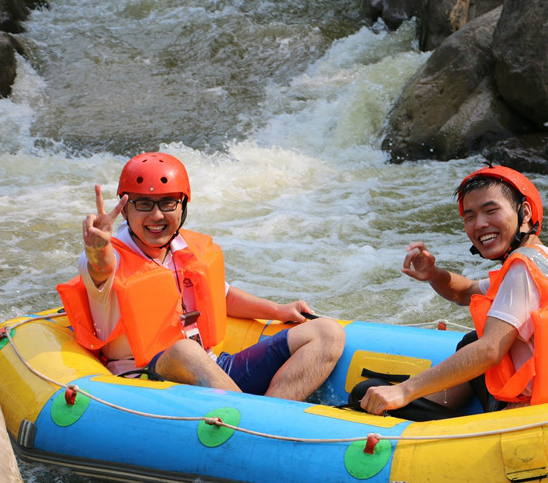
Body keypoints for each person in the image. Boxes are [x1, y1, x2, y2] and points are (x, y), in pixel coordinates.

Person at [57, 152, 345, 402]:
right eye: (143, 204)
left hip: (212, 370)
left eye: (167, 203)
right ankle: (250, 419)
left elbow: (221, 296)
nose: (156, 216)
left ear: (183, 206)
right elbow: (100, 267)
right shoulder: (110, 256)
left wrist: (279, 310)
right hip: (147, 383)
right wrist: (96, 249)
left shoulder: (186, 249)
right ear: (125, 210)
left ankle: (266, 421)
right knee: (184, 350)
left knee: (327, 332)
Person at [359, 165, 548, 416]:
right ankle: (440, 404)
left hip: (536, 414)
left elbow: (490, 351)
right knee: (471, 341)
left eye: (490, 210)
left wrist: (404, 390)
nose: (479, 224)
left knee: (363, 392)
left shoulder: (523, 269)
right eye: (470, 217)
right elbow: (467, 292)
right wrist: (433, 274)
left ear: (526, 212)